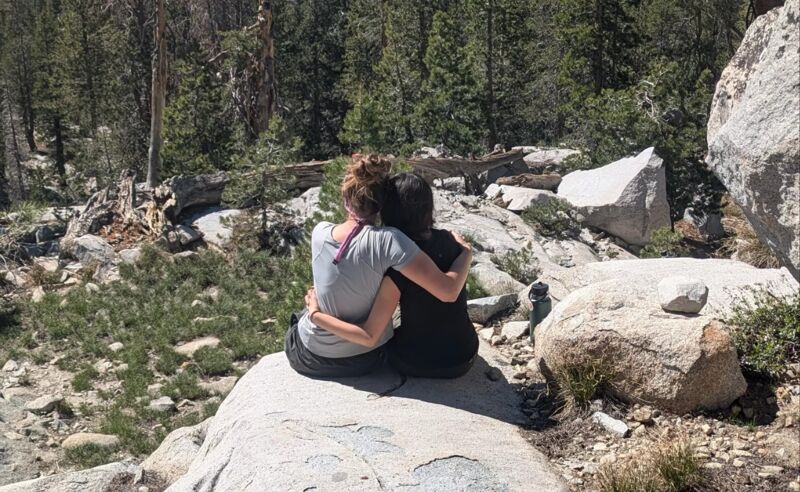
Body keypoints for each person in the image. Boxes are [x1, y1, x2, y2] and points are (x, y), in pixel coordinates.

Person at [284, 155, 473, 378]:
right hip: (367, 358)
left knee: (300, 316)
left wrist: (315, 314)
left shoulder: (320, 231)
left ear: (345, 197)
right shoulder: (390, 241)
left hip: (316, 356)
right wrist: (466, 252)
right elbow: (448, 290)